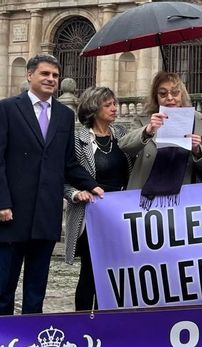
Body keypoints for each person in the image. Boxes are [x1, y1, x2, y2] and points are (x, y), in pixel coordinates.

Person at [0, 54, 102, 316]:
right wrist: (0, 203)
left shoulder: (63, 115)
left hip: (45, 216)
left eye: (55, 76)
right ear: (29, 76)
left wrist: (92, 185)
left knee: (36, 290)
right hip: (10, 214)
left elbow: (68, 163)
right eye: (45, 74)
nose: (51, 79)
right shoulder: (6, 109)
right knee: (3, 288)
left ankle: (30, 342)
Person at [63, 86, 133, 311]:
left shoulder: (121, 134)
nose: (115, 108)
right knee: (91, 271)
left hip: (119, 215)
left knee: (115, 273)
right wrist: (75, 193)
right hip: (90, 214)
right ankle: (83, 320)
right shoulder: (77, 138)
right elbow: (65, 176)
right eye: (108, 104)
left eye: (115, 103)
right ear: (93, 108)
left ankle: (107, 319)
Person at [120, 72, 202, 207]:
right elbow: (125, 147)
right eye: (163, 94)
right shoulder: (145, 120)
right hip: (146, 197)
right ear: (156, 97)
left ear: (182, 95)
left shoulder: (199, 122)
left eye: (175, 93)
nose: (170, 98)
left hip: (185, 197)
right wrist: (148, 130)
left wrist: (197, 150)